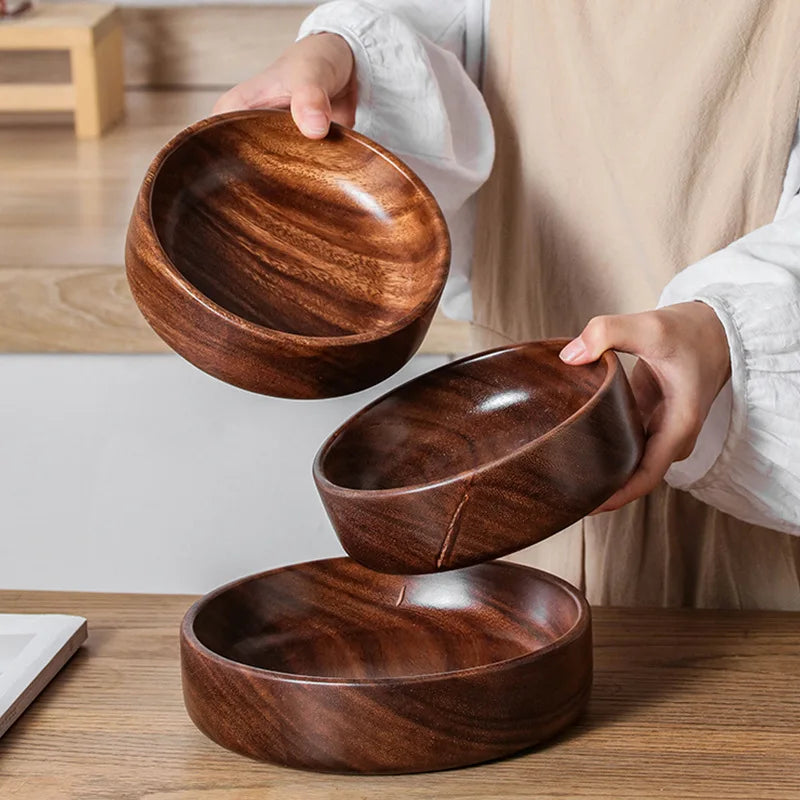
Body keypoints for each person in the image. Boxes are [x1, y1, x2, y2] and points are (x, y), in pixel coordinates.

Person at [214, 0, 800, 608]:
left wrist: (727, 331)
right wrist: (348, 52)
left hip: (756, 457)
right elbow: (447, 20)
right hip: (513, 457)